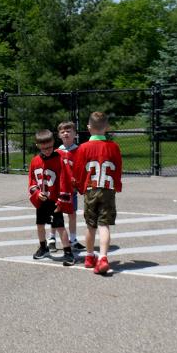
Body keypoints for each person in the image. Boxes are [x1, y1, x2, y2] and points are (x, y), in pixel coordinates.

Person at [72, 112, 123, 276]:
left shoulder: (83, 148)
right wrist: (117, 185)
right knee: (104, 225)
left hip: (91, 188)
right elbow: (118, 168)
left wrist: (79, 187)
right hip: (107, 188)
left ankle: (89, 256)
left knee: (90, 225)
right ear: (107, 127)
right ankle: (102, 257)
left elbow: (79, 171)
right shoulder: (113, 147)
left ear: (88, 127)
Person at [28, 129, 75, 266]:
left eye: (49, 147)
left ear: (54, 142)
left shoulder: (60, 159)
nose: (47, 150)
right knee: (40, 224)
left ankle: (67, 251)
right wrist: (37, 193)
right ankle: (43, 247)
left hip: (55, 200)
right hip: (42, 199)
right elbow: (32, 181)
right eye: (44, 148)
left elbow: (65, 181)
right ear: (38, 146)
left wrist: (61, 200)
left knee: (59, 226)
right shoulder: (35, 161)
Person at [50, 121, 85, 251]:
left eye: (69, 131)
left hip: (72, 189)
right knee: (56, 213)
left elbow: (81, 170)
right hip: (58, 190)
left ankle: (73, 240)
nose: (66, 133)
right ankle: (51, 238)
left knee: (72, 214)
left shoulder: (79, 151)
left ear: (75, 134)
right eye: (63, 131)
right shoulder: (57, 152)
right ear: (59, 135)